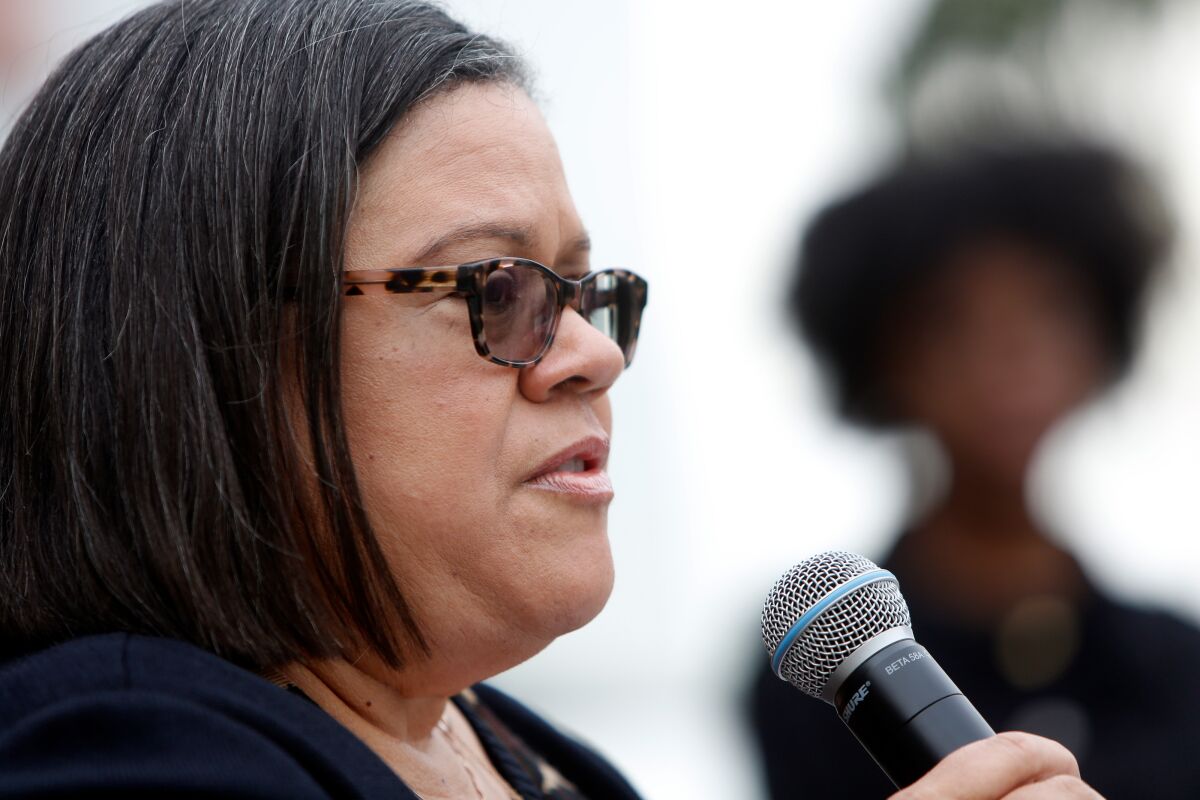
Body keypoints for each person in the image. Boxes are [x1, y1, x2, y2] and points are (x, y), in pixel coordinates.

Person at [0, 1, 1098, 797]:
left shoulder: (538, 758)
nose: (591, 356)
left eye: (587, 293)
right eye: (498, 286)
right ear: (218, 347)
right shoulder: (117, 750)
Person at [750, 142, 1200, 799]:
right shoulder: (821, 673)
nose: (1008, 354)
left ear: (1102, 339)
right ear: (883, 358)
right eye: (950, 321)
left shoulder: (1175, 665)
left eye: (1049, 309)